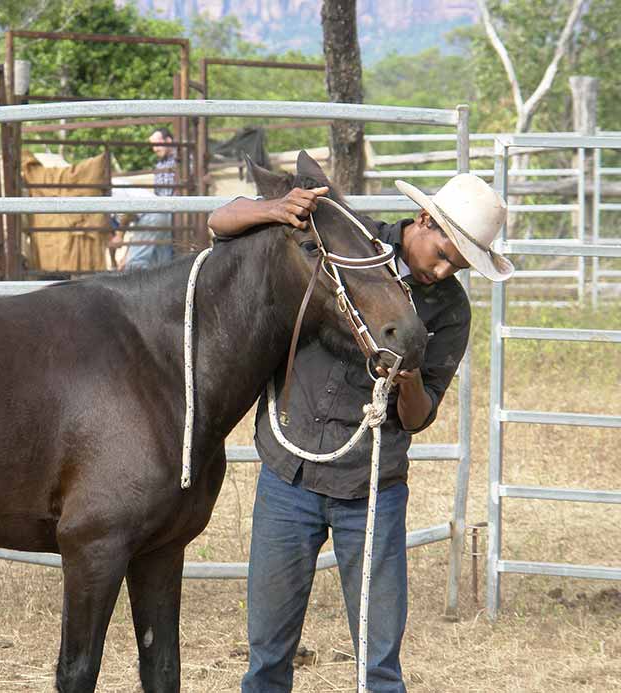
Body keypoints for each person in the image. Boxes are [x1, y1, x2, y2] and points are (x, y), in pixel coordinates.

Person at [207, 169, 513, 693]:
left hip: (372, 491)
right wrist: (274, 208)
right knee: (267, 655)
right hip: (291, 473)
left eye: (458, 267)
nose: (443, 272)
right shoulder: (343, 240)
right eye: (443, 255)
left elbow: (419, 417)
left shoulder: (451, 312)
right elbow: (219, 222)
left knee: (378, 663)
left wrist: (409, 374)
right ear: (423, 219)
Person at [115, 127, 178, 271]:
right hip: (163, 211)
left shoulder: (180, 159)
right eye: (153, 145)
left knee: (142, 260)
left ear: (168, 140)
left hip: (171, 211)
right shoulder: (160, 165)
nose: (155, 149)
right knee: (162, 260)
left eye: (158, 144)